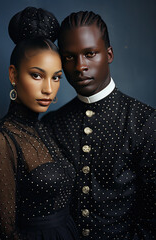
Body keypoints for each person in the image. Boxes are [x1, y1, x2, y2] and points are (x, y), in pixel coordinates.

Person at [42, 11, 156, 239]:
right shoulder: (51, 124)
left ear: (109, 54)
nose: (80, 66)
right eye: (69, 57)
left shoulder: (144, 121)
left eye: (90, 53)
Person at [0, 7, 79, 240]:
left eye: (56, 77)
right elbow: (4, 232)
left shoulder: (44, 127)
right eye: (37, 75)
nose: (48, 88)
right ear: (13, 75)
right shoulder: (2, 139)